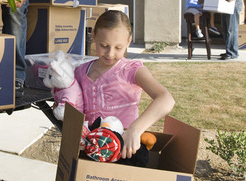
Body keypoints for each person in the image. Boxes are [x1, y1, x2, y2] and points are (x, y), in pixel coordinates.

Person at [74, 10, 175, 159]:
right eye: (104, 45)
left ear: (128, 42)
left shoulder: (132, 70)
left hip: (125, 150)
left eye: (118, 48)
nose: (110, 53)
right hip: (90, 151)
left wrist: (136, 129)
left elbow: (166, 99)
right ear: (93, 35)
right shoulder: (81, 71)